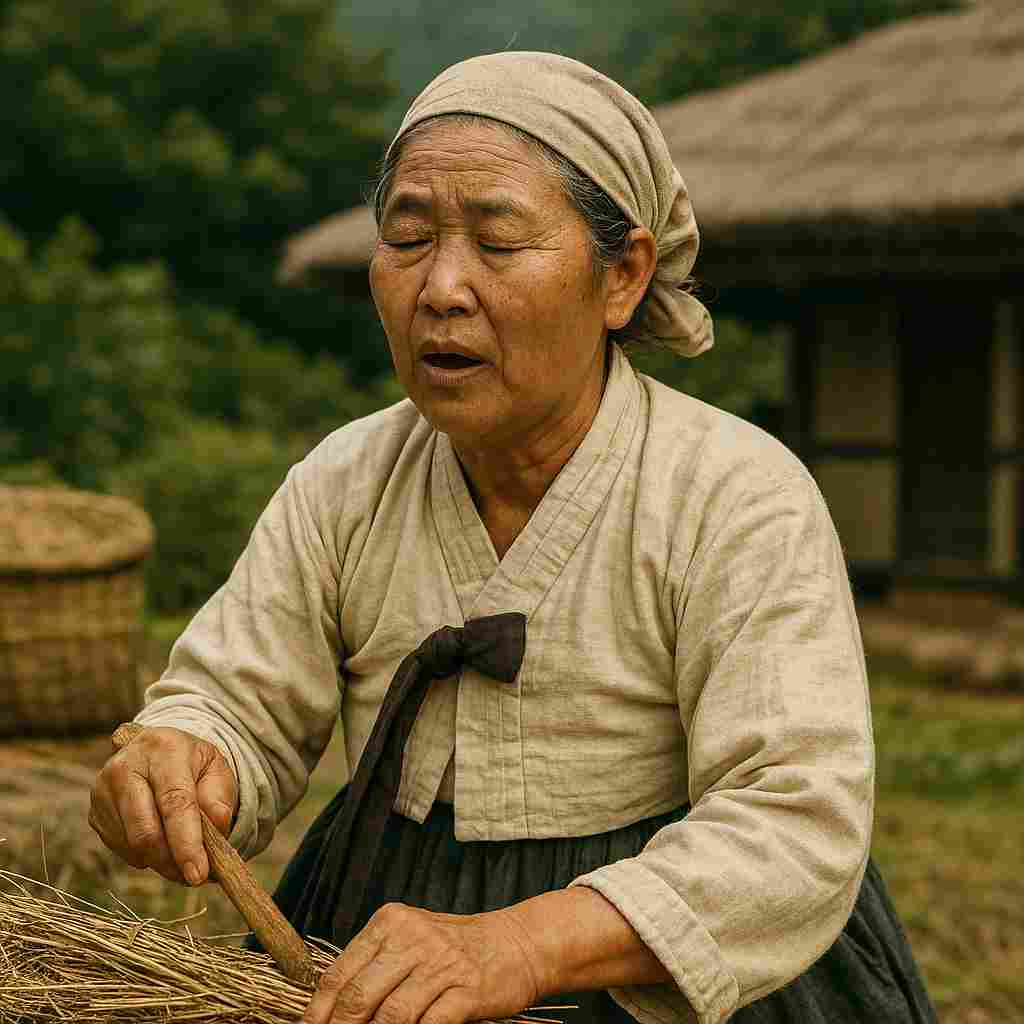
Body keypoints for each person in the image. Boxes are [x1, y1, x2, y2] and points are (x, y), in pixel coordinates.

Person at [89, 52, 936, 1024]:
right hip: (385, 928)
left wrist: (524, 942)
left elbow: (795, 820)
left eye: (496, 243)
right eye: (407, 238)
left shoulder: (734, 494)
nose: (440, 287)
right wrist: (188, 757)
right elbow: (236, 696)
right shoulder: (346, 479)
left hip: (660, 956)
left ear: (622, 276)